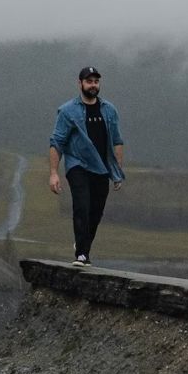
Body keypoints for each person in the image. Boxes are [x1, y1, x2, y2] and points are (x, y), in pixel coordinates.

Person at [49, 66, 125, 266]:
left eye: (96, 81)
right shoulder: (67, 111)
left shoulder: (109, 110)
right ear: (80, 83)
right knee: (82, 206)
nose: (93, 85)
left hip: (101, 168)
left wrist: (117, 172)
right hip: (78, 165)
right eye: (89, 81)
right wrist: (54, 173)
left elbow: (117, 141)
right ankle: (82, 255)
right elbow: (56, 141)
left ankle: (82, 244)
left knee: (96, 212)